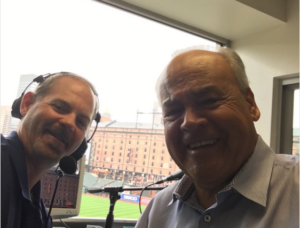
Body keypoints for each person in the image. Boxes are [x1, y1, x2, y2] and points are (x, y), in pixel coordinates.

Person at [135, 46, 299, 228]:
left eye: (208, 100)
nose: (189, 122)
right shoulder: (156, 212)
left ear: (250, 104)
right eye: (173, 111)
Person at [1, 72, 99, 228]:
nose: (70, 123)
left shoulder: (41, 215)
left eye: (81, 122)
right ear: (27, 104)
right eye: (59, 107)